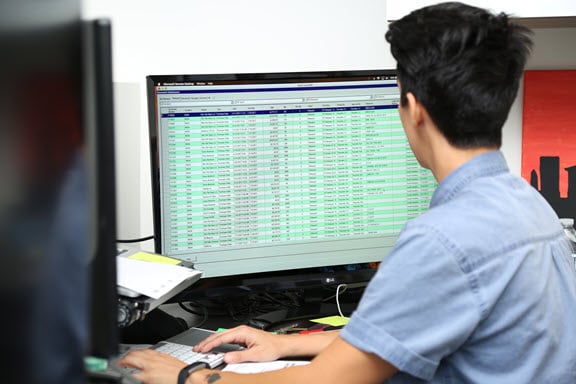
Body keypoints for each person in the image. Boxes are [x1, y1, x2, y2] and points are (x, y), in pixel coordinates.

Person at [119, 2, 576, 383]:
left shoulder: (443, 239)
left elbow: (328, 381)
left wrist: (189, 377)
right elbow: (413, 329)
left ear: (413, 110)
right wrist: (283, 343)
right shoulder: (525, 204)